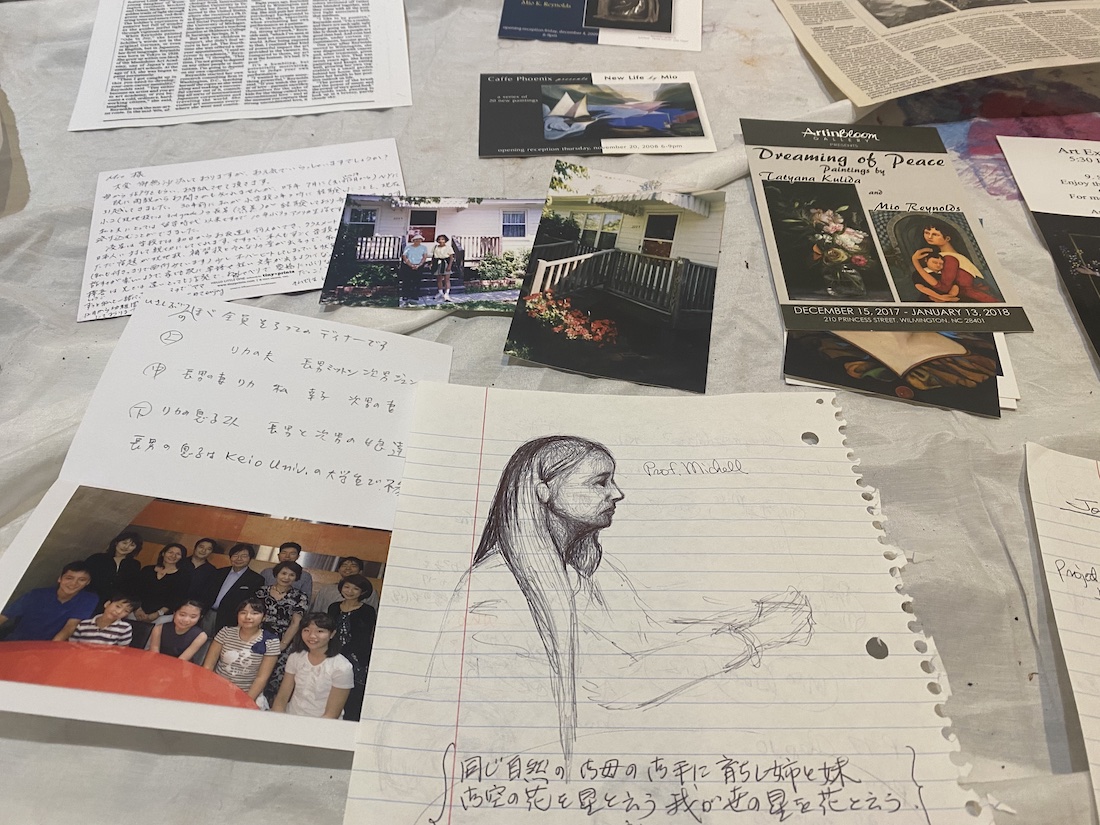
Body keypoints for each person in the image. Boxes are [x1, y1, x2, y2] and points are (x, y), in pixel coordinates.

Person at [433, 436, 814, 764]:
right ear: (543, 491)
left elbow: (644, 633)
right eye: (599, 482)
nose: (617, 493)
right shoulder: (496, 589)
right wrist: (752, 638)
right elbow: (612, 685)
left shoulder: (583, 570)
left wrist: (753, 613)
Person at [271, 612, 354, 719]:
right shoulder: (295, 657)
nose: (312, 636)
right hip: (291, 717)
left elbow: (332, 714)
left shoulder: (342, 667)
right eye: (306, 630)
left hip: (322, 723)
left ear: (332, 634)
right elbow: (282, 698)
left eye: (320, 631)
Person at [203, 598, 281, 704]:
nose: (248, 617)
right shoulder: (226, 632)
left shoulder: (271, 641)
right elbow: (208, 665)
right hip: (217, 688)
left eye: (254, 613)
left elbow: (261, 678)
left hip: (246, 694)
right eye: (243, 612)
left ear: (264, 617)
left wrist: (246, 702)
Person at [905, 218, 998, 303]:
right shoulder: (940, 256)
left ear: (947, 238)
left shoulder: (950, 258)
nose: (929, 237)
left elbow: (943, 287)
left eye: (935, 234)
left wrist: (915, 262)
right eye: (926, 232)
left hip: (971, 298)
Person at [0, 561, 97, 641]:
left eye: (82, 580)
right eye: (69, 578)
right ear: (60, 579)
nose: (74, 583)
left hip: (49, 647)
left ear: (88, 582)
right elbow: (4, 616)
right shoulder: (36, 595)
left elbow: (70, 627)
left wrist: (48, 651)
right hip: (17, 643)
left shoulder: (88, 599)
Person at [255, 560, 310, 700]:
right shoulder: (261, 591)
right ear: (276, 574)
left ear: (296, 577)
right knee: (254, 672)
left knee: (275, 678)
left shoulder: (300, 597)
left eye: (291, 575)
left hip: (284, 639)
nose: (286, 577)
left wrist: (283, 644)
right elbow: (253, 615)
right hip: (258, 636)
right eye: (283, 573)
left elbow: (296, 623)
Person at [327, 573, 377, 721]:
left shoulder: (368, 611)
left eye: (355, 588)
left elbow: (363, 636)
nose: (350, 591)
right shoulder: (333, 607)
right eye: (347, 587)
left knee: (353, 696)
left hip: (357, 658)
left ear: (363, 592)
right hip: (333, 654)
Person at [128, 542, 190, 648]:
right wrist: (138, 609)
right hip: (136, 612)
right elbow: (134, 591)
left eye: (178, 554)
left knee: (149, 646)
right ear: (163, 553)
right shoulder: (147, 570)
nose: (173, 556)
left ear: (182, 558)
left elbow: (176, 599)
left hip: (162, 616)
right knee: (126, 640)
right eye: (170, 552)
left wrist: (158, 613)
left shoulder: (183, 576)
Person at [201, 543, 264, 633]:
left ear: (250, 558)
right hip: (209, 615)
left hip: (231, 619)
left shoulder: (256, 579)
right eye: (235, 555)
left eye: (244, 556)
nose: (239, 559)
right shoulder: (218, 572)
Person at [84, 531, 143, 605]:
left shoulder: (134, 565)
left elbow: (131, 587)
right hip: (90, 598)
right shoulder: (97, 558)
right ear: (116, 542)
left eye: (132, 545)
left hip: (115, 603)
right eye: (124, 543)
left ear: (135, 548)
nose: (126, 547)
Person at [55, 592, 138, 645]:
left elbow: (123, 651)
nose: (119, 612)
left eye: (126, 611)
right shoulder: (83, 624)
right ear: (107, 604)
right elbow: (72, 645)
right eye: (118, 606)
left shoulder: (124, 628)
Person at [310, 557, 379, 612]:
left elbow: (373, 615)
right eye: (344, 565)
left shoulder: (369, 591)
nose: (348, 568)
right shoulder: (327, 589)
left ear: (360, 571)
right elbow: (316, 610)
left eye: (353, 566)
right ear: (339, 570)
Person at [397, 233, 430, 307]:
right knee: (407, 281)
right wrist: (410, 265)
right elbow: (404, 256)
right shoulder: (408, 247)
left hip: (419, 266)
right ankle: (406, 295)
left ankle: (415, 295)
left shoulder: (424, 247)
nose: (418, 241)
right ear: (413, 240)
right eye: (416, 240)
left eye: (419, 240)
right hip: (408, 266)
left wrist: (419, 265)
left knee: (417, 281)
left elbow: (424, 257)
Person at [431, 234, 455, 302]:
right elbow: (433, 256)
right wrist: (431, 263)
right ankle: (440, 292)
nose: (441, 241)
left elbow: (451, 258)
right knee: (439, 279)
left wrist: (449, 266)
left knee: (446, 279)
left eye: (442, 239)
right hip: (437, 263)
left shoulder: (448, 247)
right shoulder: (435, 247)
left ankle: (447, 294)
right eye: (439, 239)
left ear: (445, 240)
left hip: (445, 263)